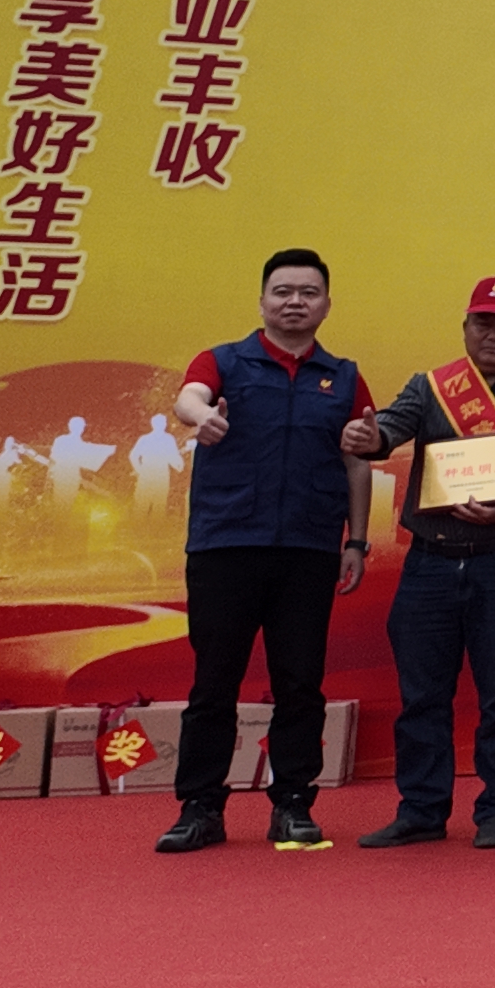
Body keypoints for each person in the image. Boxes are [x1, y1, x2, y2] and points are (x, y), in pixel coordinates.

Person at [339, 274, 495, 850]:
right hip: (429, 562)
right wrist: (369, 437)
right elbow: (389, 430)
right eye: (483, 323)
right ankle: (421, 809)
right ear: (466, 327)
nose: (493, 335)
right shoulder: (430, 387)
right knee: (422, 695)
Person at [154, 248, 376, 855]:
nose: (294, 302)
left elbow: (358, 461)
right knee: (214, 682)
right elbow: (187, 398)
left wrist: (356, 540)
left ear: (326, 305)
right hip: (225, 546)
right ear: (262, 301)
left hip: (308, 548)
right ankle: (200, 807)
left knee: (300, 683)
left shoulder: (344, 377)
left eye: (308, 292)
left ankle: (294, 804)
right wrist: (202, 418)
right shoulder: (224, 361)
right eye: (282, 291)